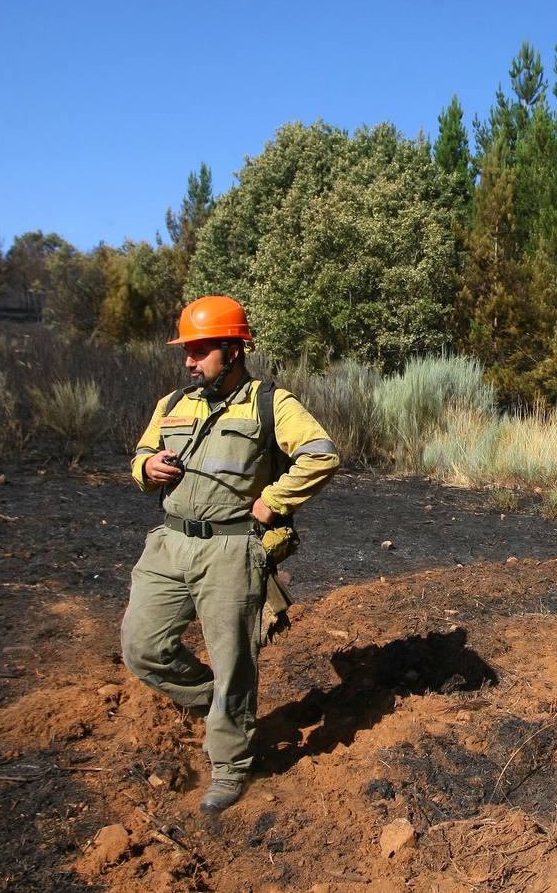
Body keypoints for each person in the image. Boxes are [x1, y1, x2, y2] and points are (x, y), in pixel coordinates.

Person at [121, 296, 339, 814]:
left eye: (199, 351)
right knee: (141, 647)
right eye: (187, 351)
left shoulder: (271, 403)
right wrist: (147, 469)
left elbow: (321, 454)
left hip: (232, 548)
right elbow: (141, 454)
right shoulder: (173, 404)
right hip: (169, 542)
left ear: (233, 349)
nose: (189, 362)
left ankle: (231, 762)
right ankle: (219, 705)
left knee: (234, 660)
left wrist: (273, 500)